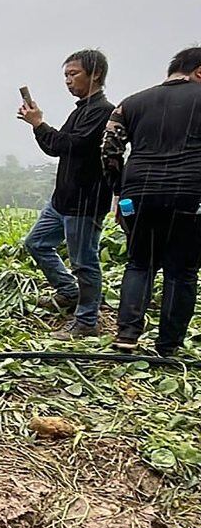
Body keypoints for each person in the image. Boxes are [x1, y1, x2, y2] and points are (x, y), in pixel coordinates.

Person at [102, 47, 201, 357]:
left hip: (138, 194)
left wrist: (119, 192)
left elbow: (109, 150)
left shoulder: (131, 103)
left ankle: (127, 336)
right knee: (181, 271)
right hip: (191, 196)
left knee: (140, 263)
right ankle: (168, 347)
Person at [17, 50, 115, 339]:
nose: (68, 81)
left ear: (95, 73)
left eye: (74, 74)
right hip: (63, 199)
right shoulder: (81, 109)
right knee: (36, 243)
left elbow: (69, 145)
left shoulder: (102, 111)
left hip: (85, 201)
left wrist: (38, 123)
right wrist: (39, 126)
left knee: (84, 261)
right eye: (66, 76)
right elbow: (55, 146)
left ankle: (86, 321)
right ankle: (69, 292)